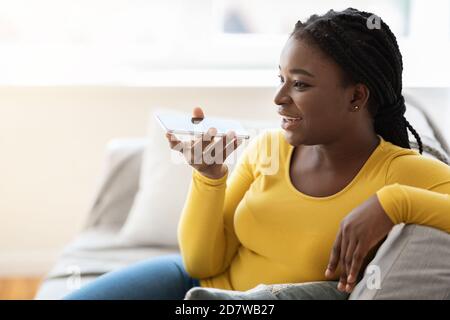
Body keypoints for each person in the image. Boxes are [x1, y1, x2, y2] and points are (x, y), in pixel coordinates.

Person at [64, 8, 450, 300]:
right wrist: (210, 177)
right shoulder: (268, 148)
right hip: (187, 282)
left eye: (299, 84)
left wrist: (393, 203)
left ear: (356, 96)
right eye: (280, 80)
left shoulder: (398, 172)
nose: (279, 99)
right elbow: (201, 264)